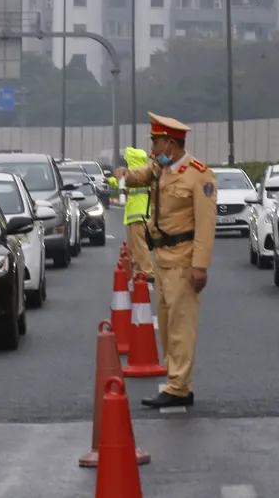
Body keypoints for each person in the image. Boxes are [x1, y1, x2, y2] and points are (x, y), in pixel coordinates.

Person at [114, 112, 217, 409]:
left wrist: (201, 266)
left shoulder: (199, 175)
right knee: (169, 324)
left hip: (184, 259)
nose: (153, 149)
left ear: (171, 144)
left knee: (182, 326)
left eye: (156, 143)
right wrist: (123, 174)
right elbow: (140, 176)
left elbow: (207, 226)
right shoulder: (161, 169)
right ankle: (177, 382)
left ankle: (179, 386)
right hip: (162, 258)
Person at [115, 146, 154, 280]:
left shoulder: (136, 175)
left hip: (138, 215)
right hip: (137, 215)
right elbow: (120, 186)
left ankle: (146, 271)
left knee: (140, 246)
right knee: (136, 247)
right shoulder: (141, 173)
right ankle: (139, 270)